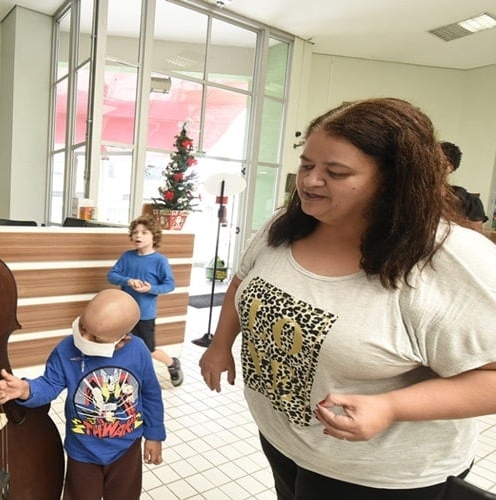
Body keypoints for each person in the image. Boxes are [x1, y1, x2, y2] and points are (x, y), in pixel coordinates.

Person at [199, 97, 496, 499]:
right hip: (284, 442)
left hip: (378, 475)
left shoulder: (452, 261)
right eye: (307, 165)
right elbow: (241, 280)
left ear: (392, 181)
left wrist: (391, 407)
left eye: (335, 172)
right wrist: (220, 345)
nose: (309, 182)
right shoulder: (286, 225)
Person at [0, 289, 165, 500]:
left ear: (122, 340)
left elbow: (152, 394)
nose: (84, 338)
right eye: (83, 327)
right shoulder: (66, 349)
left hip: (126, 448)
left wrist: (154, 436)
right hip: (82, 450)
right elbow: (49, 384)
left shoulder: (138, 351)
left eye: (96, 338)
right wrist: (26, 389)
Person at [108, 214, 183, 386]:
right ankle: (127, 378)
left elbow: (169, 285)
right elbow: (111, 275)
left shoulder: (160, 261)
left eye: (144, 232)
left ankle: (172, 363)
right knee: (122, 345)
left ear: (154, 236)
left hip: (145, 315)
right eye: (135, 232)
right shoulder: (127, 256)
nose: (138, 236)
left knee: (148, 349)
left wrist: (151, 289)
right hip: (124, 312)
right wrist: (127, 280)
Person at [441, 141, 489, 232]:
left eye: (443, 163)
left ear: (451, 168)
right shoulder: (412, 196)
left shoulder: (470, 203)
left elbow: (476, 239)